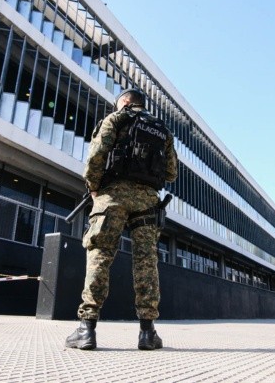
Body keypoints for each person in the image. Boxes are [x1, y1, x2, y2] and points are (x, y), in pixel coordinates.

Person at [65, 87, 178, 351]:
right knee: (146, 262)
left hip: (111, 196)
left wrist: (93, 187)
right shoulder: (163, 130)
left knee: (100, 254)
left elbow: (96, 156)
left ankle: (86, 329)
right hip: (148, 201)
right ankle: (148, 333)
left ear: (125, 102)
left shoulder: (115, 119)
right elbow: (171, 173)